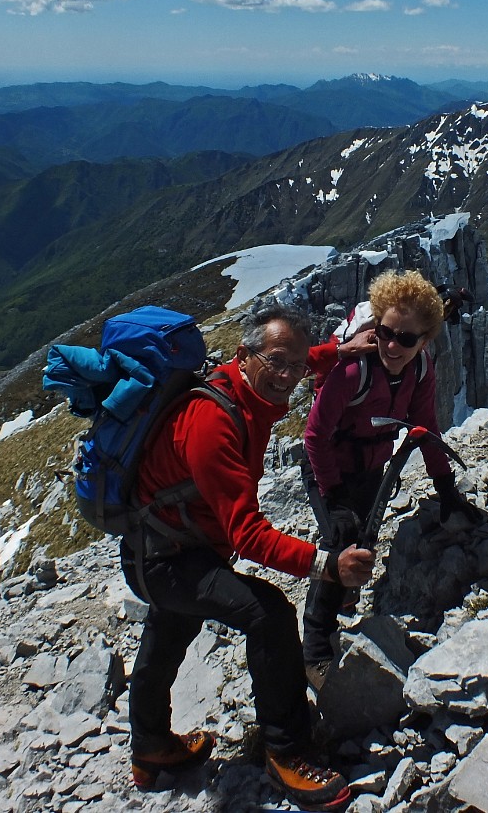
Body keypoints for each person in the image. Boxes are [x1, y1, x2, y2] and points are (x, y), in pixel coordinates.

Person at [121, 304, 374, 812]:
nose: (287, 377)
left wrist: (336, 353)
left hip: (168, 545)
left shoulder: (247, 384)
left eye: (296, 367)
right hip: (167, 557)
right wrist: (327, 564)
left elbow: (297, 359)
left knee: (170, 627)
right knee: (269, 612)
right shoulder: (212, 422)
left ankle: (150, 749)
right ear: (244, 355)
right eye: (277, 363)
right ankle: (287, 754)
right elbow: (249, 535)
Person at [300, 271, 481, 687]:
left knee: (363, 537)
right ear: (375, 326)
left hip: (369, 466)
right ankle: (313, 651)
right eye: (384, 333)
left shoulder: (420, 371)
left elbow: (425, 428)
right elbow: (314, 436)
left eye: (407, 338)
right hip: (326, 464)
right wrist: (333, 496)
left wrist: (446, 489)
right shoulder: (352, 372)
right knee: (339, 544)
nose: (392, 345)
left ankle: (345, 594)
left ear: (426, 340)